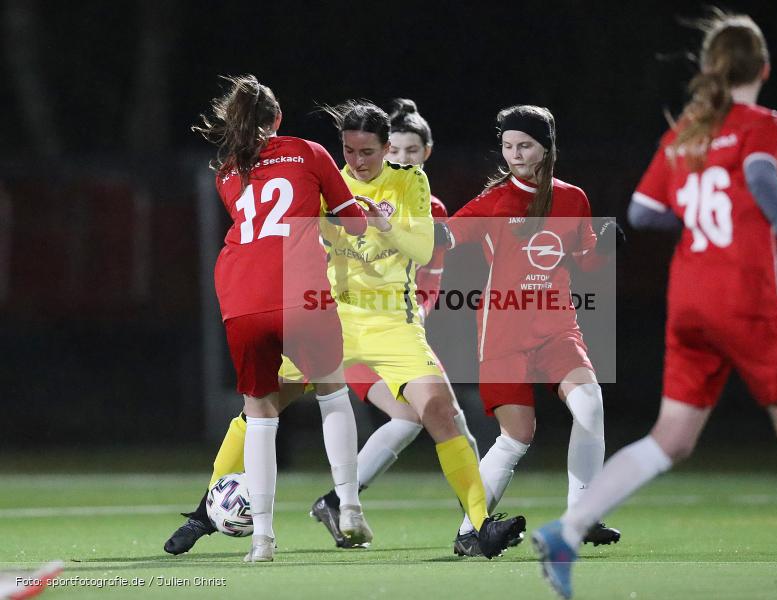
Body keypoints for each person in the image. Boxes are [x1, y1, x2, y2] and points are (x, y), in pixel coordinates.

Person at [532, 12, 777, 600]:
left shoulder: (686, 132)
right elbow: (759, 173)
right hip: (744, 295)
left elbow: (643, 210)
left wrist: (696, 221)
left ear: (710, 68)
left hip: (690, 300)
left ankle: (567, 531)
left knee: (672, 436)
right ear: (763, 68)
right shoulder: (760, 123)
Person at [166, 99, 525, 560]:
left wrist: (384, 225)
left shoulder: (410, 181)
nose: (357, 161)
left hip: (391, 322)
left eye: (367, 152)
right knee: (262, 406)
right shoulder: (326, 178)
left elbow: (420, 250)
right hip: (330, 315)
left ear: (387, 148)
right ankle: (205, 512)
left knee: (438, 409)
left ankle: (476, 527)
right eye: (350, 151)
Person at [186, 75, 374, 563]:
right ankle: (350, 509)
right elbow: (353, 224)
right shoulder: (308, 152)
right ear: (278, 118)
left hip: (241, 296)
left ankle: (262, 540)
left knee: (260, 414)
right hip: (299, 288)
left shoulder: (228, 171)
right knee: (332, 392)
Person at [435, 105, 623, 557]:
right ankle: (469, 532)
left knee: (590, 404)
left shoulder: (573, 199)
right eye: (507, 146)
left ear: (546, 148)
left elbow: (585, 260)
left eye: (524, 145)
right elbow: (445, 236)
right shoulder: (494, 201)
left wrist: (607, 247)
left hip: (558, 329)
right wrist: (394, 232)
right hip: (504, 334)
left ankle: (580, 516)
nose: (515, 154)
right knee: (517, 436)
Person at [308, 98, 483, 549]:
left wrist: (413, 317)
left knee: (426, 418)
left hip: (399, 326)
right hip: (352, 327)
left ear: (426, 153)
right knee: (437, 418)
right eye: (397, 150)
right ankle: (475, 526)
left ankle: (339, 502)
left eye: (411, 151)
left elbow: (430, 277)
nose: (402, 158)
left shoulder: (426, 205)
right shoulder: (341, 188)